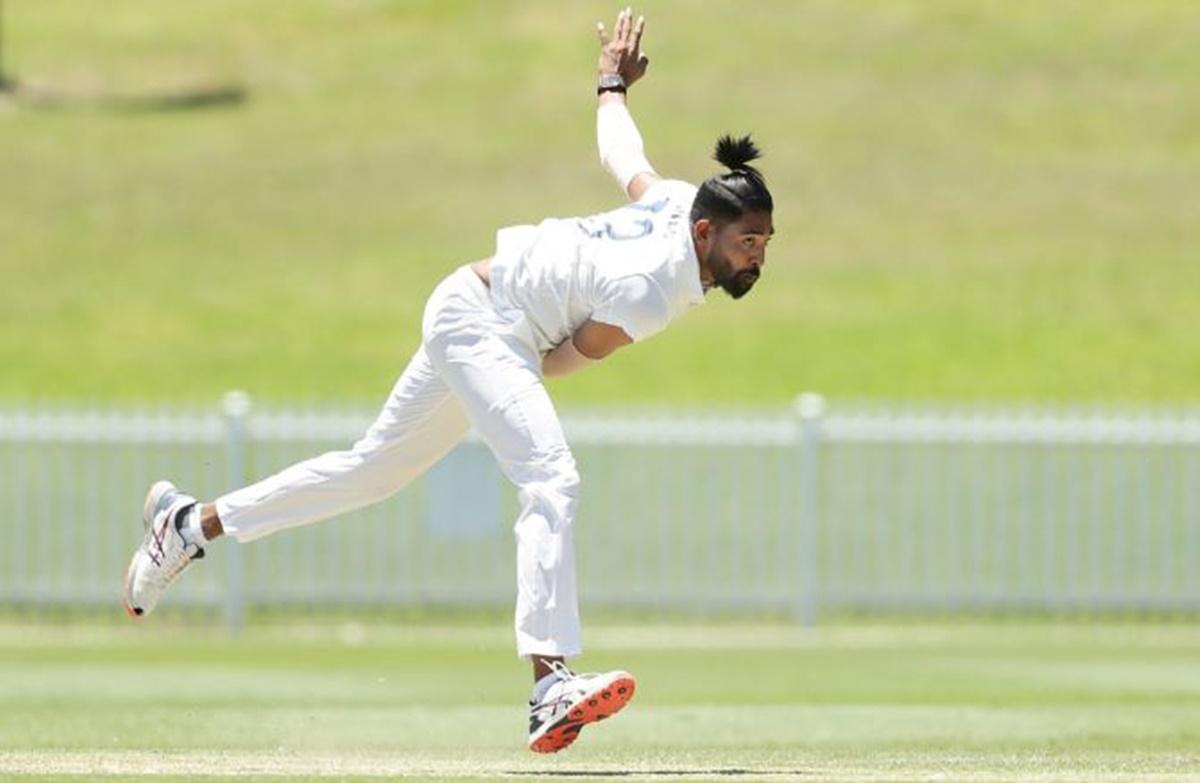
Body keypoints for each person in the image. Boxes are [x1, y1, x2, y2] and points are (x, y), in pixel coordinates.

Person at [122, 6, 774, 754]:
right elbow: (566, 359)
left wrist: (609, 86)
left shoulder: (675, 200)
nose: (756, 256)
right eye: (747, 241)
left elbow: (623, 155)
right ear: (705, 233)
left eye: (764, 242)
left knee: (368, 471)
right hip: (484, 325)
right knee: (551, 475)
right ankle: (549, 680)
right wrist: (506, 384)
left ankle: (190, 523)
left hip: (473, 313)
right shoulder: (658, 292)